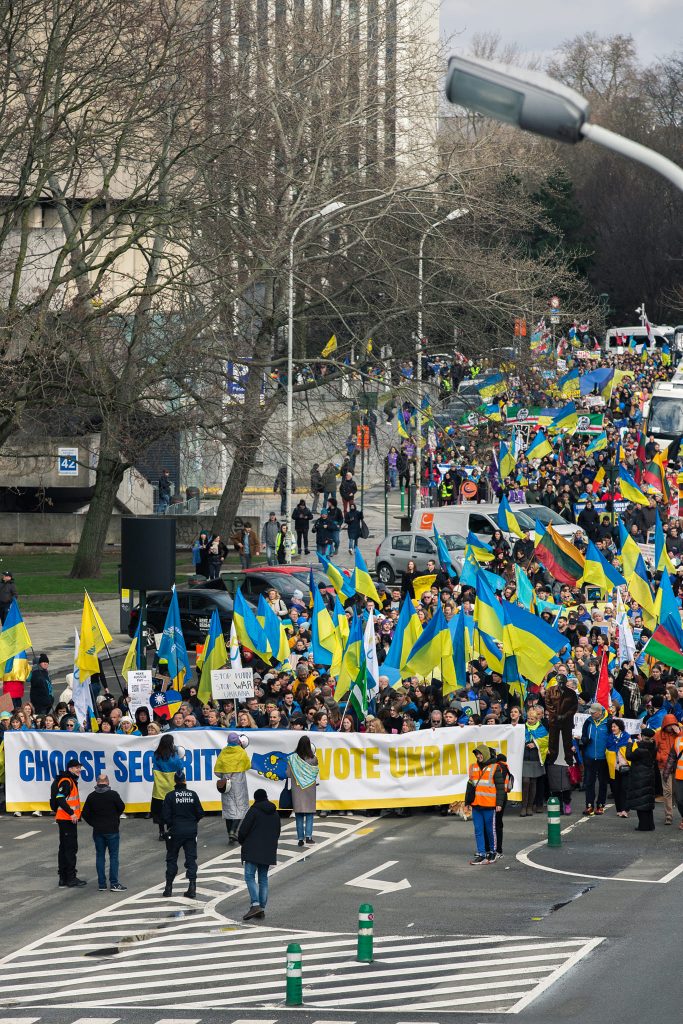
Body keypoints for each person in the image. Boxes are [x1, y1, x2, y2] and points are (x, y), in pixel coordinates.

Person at [237, 787, 281, 921]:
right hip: (268, 851)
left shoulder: (254, 811)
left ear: (256, 799)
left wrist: (242, 841)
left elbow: (243, 830)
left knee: (249, 876)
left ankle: (255, 905)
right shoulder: (275, 813)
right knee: (263, 879)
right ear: (266, 797)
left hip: (252, 850)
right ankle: (261, 908)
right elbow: (277, 832)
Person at [81, 772, 127, 892]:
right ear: (107, 782)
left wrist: (94, 823)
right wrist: (115, 817)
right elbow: (121, 807)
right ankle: (114, 883)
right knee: (114, 856)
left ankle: (102, 884)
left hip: (98, 831)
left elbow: (85, 813)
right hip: (112, 829)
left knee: (100, 856)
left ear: (97, 782)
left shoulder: (91, 796)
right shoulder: (113, 795)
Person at [162, 770, 204, 899]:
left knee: (172, 858)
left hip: (175, 831)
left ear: (174, 781)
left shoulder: (170, 796)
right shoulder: (193, 795)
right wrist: (192, 822)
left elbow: (165, 816)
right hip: (191, 832)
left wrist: (172, 824)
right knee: (191, 859)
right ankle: (192, 887)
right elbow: (200, 813)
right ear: (185, 780)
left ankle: (168, 888)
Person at [466, 745, 506, 864]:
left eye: (479, 753)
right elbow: (469, 786)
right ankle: (482, 853)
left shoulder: (495, 768)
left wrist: (499, 803)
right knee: (478, 830)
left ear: (485, 753)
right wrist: (467, 802)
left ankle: (493, 852)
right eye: (476, 754)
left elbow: (500, 788)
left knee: (490, 830)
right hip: (476, 805)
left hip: (489, 805)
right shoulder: (473, 767)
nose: (478, 756)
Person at [53, 757, 87, 888]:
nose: (79, 770)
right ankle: (71, 878)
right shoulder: (67, 781)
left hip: (65, 820)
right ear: (70, 769)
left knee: (64, 849)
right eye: (77, 768)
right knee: (70, 849)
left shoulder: (69, 780)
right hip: (67, 820)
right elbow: (60, 798)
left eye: (80, 768)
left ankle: (63, 878)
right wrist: (72, 813)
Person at [214, 732, 251, 843]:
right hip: (239, 782)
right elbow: (248, 765)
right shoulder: (242, 752)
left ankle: (229, 832)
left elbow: (217, 770)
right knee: (241, 806)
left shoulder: (223, 752)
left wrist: (225, 775)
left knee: (228, 808)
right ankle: (233, 831)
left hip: (226, 783)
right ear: (238, 742)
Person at [286, 735, 320, 846]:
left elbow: (288, 774)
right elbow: (315, 772)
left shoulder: (292, 758)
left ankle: (300, 838)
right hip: (309, 788)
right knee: (309, 814)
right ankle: (309, 837)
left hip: (297, 789)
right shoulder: (313, 759)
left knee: (299, 815)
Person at [580, 702, 612, 816]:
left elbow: (612, 738)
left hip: (603, 757)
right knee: (589, 782)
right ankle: (589, 805)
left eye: (594, 713)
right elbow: (583, 735)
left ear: (600, 712)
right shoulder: (588, 721)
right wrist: (584, 740)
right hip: (589, 756)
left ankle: (600, 805)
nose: (592, 714)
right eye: (591, 712)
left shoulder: (608, 722)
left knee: (603, 782)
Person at [151, 735, 184, 841]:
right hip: (171, 787)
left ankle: (161, 832)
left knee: (159, 811)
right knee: (172, 810)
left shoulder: (156, 755)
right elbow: (180, 767)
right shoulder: (174, 757)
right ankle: (170, 830)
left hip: (159, 788)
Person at [626, 728, 656, 832]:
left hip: (639, 777)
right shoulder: (653, 747)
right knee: (647, 802)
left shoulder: (640, 750)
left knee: (641, 802)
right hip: (649, 776)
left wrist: (629, 744)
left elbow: (629, 756)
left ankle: (643, 825)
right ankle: (650, 825)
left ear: (643, 736)